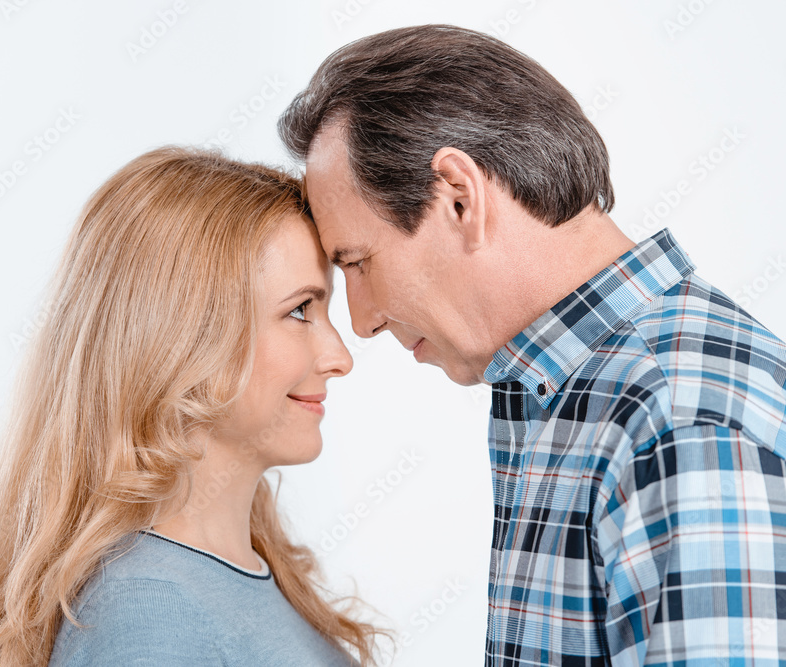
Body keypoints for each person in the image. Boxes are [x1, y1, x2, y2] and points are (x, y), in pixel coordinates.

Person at [279, 24, 786, 666]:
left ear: (459, 198)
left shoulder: (684, 425)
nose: (363, 321)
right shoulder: (582, 398)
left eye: (357, 262)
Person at [0, 147, 385, 666]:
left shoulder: (223, 577)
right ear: (182, 340)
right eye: (299, 310)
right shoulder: (149, 616)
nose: (340, 357)